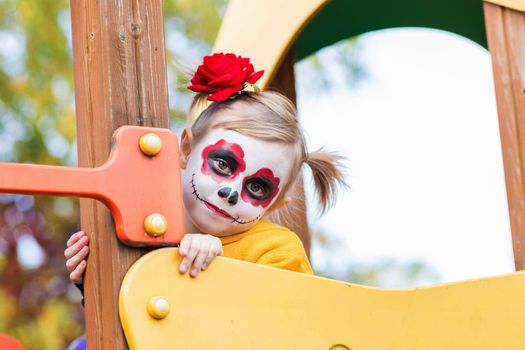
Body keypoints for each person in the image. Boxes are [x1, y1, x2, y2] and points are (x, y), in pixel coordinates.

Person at [64, 53, 346, 293]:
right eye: (223, 164)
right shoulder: (143, 224)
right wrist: (93, 282)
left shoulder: (276, 251)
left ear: (275, 204)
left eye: (257, 188)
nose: (232, 192)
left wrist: (219, 271)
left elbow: (281, 327)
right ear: (186, 149)